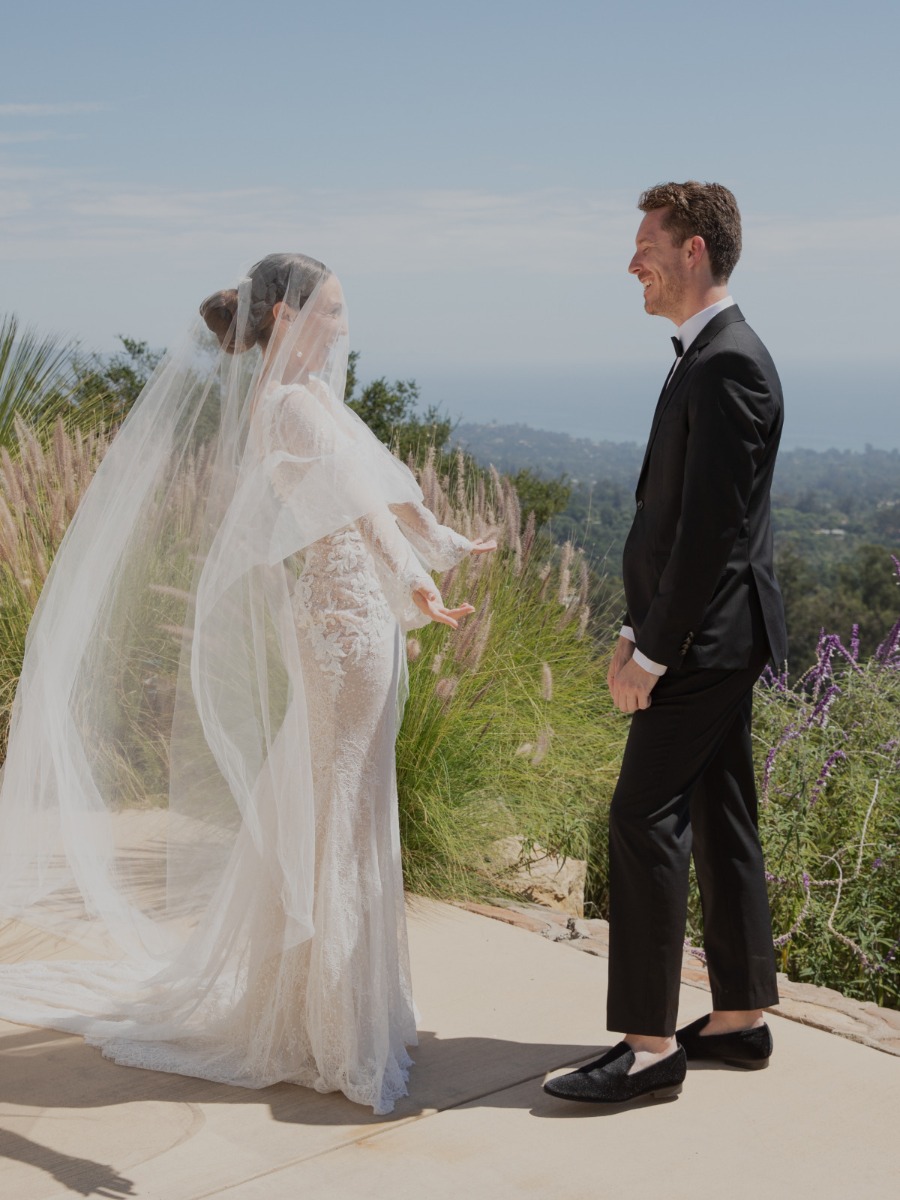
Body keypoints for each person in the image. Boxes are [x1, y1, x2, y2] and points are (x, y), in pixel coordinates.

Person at [0, 253, 493, 1115]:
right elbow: (356, 510)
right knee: (340, 811)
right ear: (285, 317)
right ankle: (329, 1029)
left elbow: (381, 485)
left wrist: (439, 544)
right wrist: (419, 575)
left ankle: (326, 1012)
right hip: (342, 621)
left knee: (343, 802)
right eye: (330, 311)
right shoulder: (292, 405)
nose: (343, 326)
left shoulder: (312, 402)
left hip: (349, 614)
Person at [545, 182, 786, 1105]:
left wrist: (652, 653)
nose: (632, 260)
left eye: (646, 242)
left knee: (642, 815)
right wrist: (630, 626)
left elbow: (711, 534)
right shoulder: (708, 356)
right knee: (722, 813)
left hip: (707, 638)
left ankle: (648, 1047)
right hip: (710, 632)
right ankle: (739, 1020)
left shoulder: (730, 363)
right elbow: (671, 517)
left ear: (693, 250)